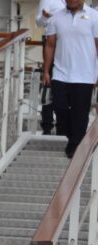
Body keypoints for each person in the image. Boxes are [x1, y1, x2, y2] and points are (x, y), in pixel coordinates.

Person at [43, 0, 98, 158]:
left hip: (85, 75)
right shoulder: (55, 18)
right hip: (60, 73)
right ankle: (72, 138)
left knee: (80, 113)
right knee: (59, 107)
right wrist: (47, 70)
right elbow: (50, 45)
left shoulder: (95, 16)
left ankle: (75, 145)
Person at [36, 0, 68, 135]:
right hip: (52, 41)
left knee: (67, 84)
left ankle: (64, 124)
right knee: (48, 82)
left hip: (69, 43)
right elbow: (39, 23)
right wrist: (45, 17)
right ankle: (47, 125)